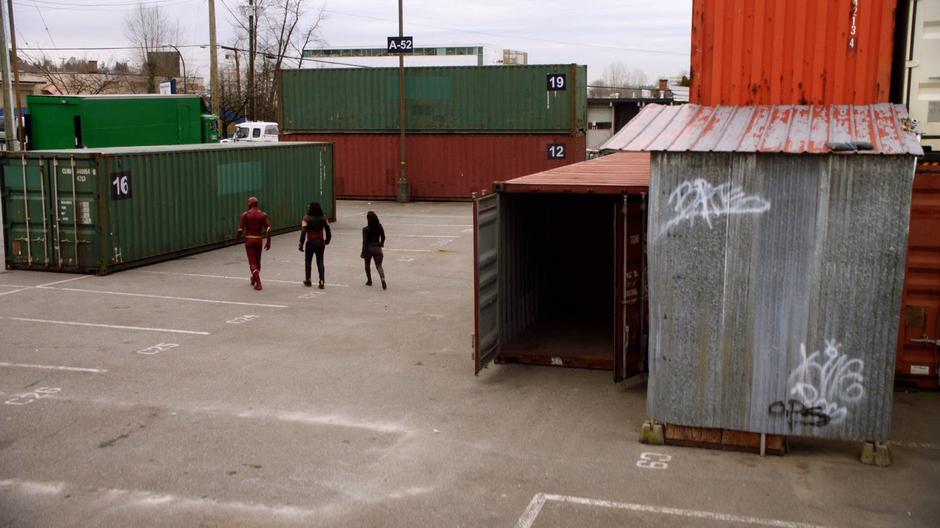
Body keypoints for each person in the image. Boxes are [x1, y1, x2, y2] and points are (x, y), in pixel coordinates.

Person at [236, 196, 271, 291]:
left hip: (249, 239)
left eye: (248, 202)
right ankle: (253, 278)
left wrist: (237, 239)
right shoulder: (263, 215)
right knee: (258, 260)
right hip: (259, 239)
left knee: (252, 262)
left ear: (250, 204)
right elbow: (268, 228)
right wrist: (268, 242)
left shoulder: (246, 215)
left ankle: (259, 283)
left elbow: (240, 229)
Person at [298, 201, 332, 289]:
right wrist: (327, 240)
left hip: (310, 242)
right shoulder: (323, 217)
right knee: (320, 261)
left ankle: (308, 280)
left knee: (308, 261)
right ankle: (321, 281)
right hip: (320, 242)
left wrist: (301, 244)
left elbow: (303, 232)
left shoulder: (306, 218)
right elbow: (328, 229)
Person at [361, 211, 386, 290]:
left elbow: (364, 242)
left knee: (367, 264)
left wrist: (363, 252)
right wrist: (381, 243)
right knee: (379, 265)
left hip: (369, 248)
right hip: (378, 248)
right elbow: (383, 236)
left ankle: (369, 280)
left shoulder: (365, 229)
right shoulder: (379, 226)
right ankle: (382, 278)